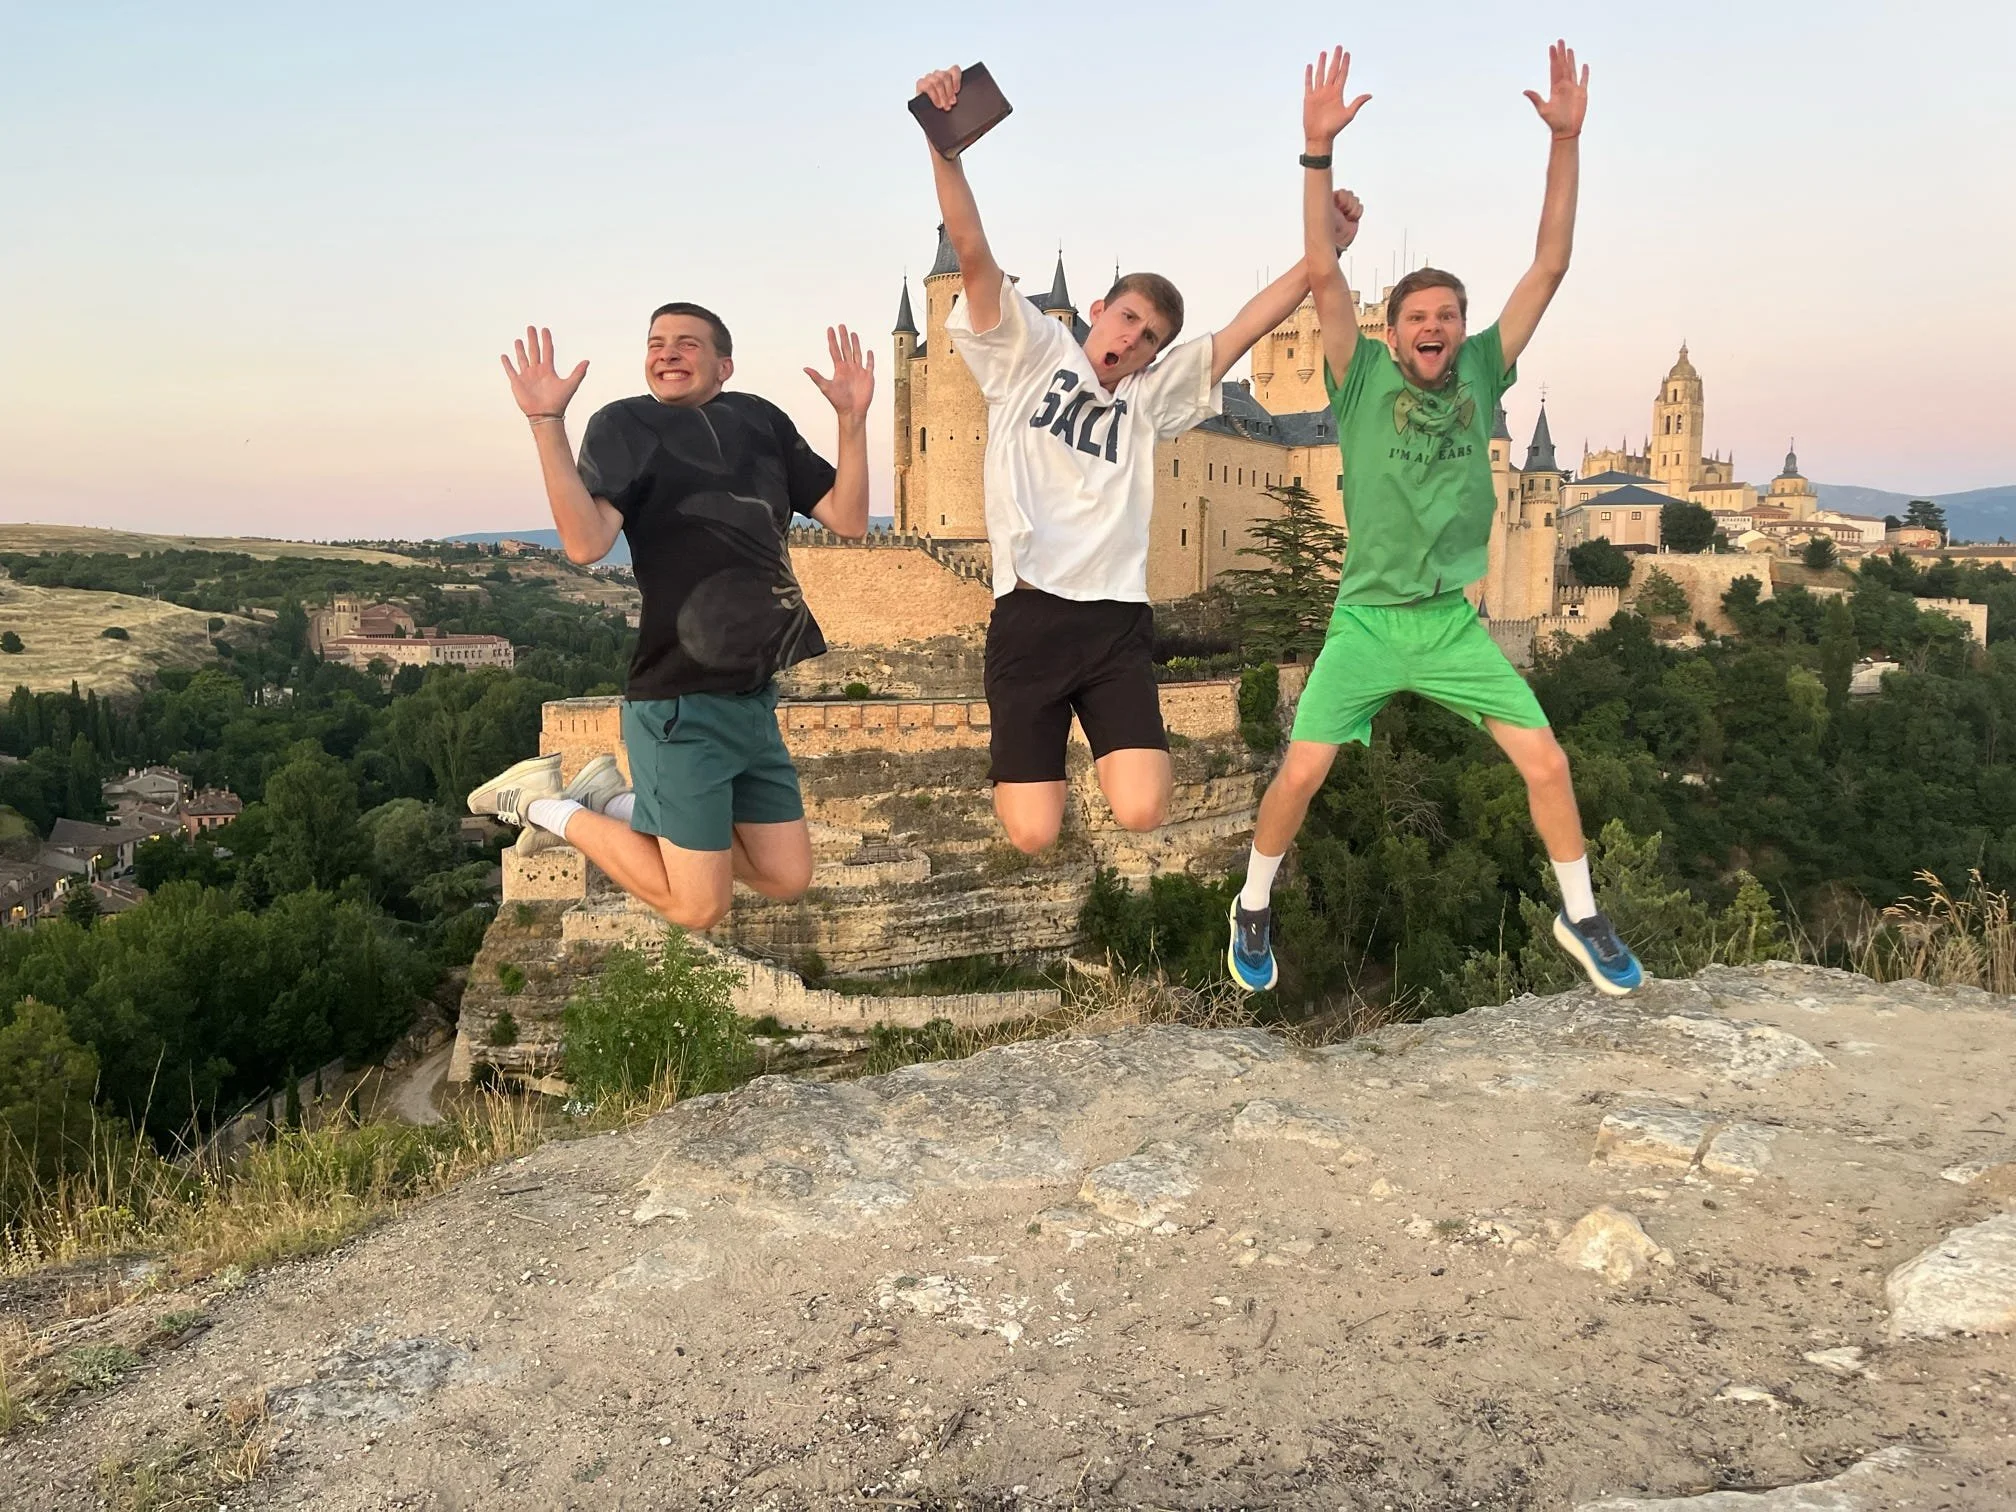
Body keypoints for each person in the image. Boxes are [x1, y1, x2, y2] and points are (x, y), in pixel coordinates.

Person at [1228, 42, 1644, 997]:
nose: (1434, 326)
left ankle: (1582, 915)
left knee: (1547, 760)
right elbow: (1324, 276)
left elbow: (1551, 262)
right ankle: (1252, 905)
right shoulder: (1358, 375)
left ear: (1462, 329)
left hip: (1452, 624)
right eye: (1418, 313)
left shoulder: (1482, 374)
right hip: (1368, 621)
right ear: (1391, 328)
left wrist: (1567, 143)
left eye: (1448, 315)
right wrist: (1315, 153)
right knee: (1299, 776)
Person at [914, 64, 1364, 854]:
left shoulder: (1151, 398)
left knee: (1145, 809)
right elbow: (975, 252)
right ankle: (1046, 768)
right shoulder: (1030, 351)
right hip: (1029, 616)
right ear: (1096, 310)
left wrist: (1320, 250)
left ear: (1155, 353)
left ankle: (1096, 744)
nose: (1128, 339)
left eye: (1148, 335)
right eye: (1125, 318)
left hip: (1118, 622)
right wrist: (946, 152)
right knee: (1029, 835)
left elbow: (1247, 327)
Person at [467, 306, 874, 929]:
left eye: (688, 343)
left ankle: (607, 798)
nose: (668, 353)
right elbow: (585, 543)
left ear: (724, 365)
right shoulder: (624, 424)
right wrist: (547, 422)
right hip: (679, 702)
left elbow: (847, 517)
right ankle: (543, 807)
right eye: (656, 343)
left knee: (786, 875)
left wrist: (852, 419)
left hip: (753, 700)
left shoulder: (760, 419)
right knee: (697, 906)